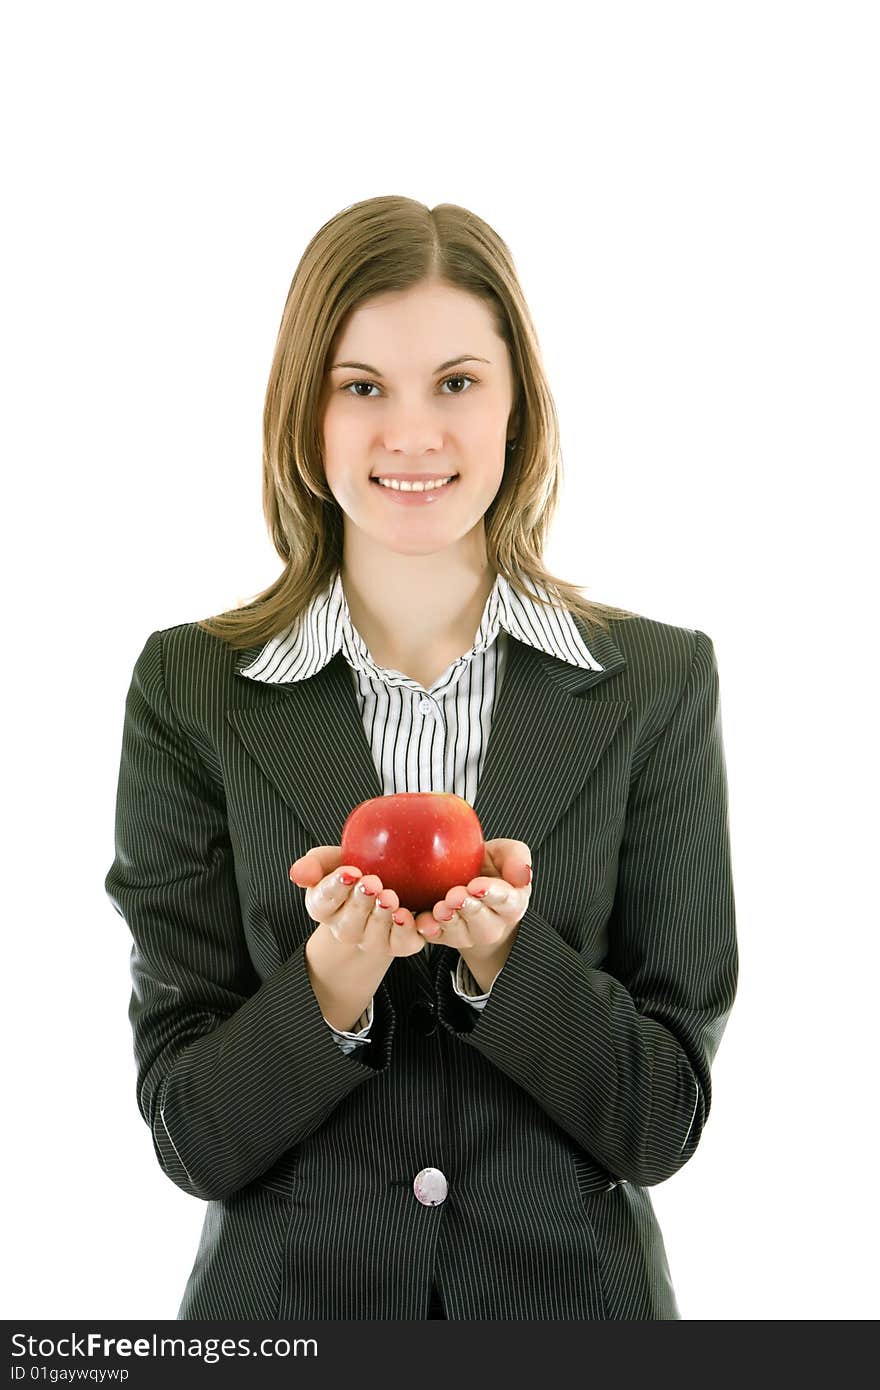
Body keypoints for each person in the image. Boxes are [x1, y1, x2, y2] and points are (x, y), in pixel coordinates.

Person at [104, 195, 738, 1321]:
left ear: (516, 409)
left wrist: (509, 962)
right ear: (306, 412)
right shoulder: (189, 690)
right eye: (361, 388)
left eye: (455, 382)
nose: (411, 435)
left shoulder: (655, 683)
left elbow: (662, 1119)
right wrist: (329, 988)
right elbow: (190, 1134)